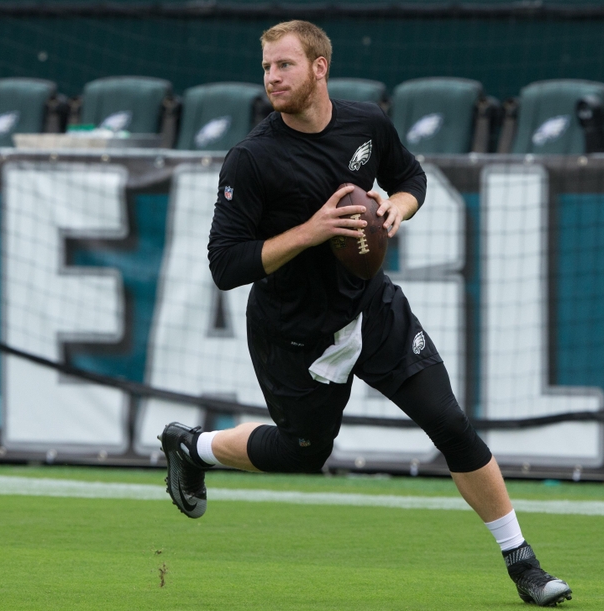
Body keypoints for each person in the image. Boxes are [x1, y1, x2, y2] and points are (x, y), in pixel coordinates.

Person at [159, 19, 572, 607]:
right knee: (302, 455)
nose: (273, 78)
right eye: (267, 68)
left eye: (285, 65)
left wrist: (396, 207)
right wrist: (311, 231)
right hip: (294, 334)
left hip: (372, 307)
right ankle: (191, 446)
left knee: (450, 424)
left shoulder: (367, 122)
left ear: (319, 67)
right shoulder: (251, 159)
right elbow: (226, 266)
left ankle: (524, 565)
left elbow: (409, 178)